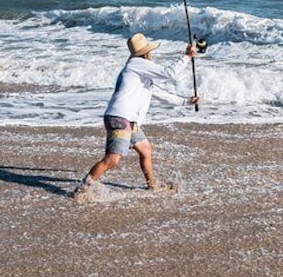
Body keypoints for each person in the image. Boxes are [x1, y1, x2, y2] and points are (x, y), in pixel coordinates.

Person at [72, 32, 199, 198]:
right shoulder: (137, 64)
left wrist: (187, 102)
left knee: (146, 150)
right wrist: (187, 56)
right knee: (112, 160)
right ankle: (82, 190)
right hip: (120, 118)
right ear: (146, 52)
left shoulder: (138, 70)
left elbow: (161, 94)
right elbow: (169, 73)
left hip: (128, 120)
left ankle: (152, 185)